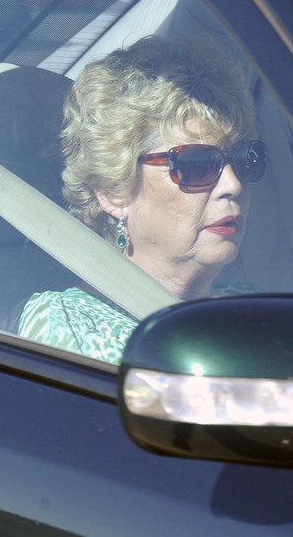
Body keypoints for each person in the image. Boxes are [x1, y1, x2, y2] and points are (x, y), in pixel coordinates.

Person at [18, 35, 266, 363]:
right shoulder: (68, 324)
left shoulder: (251, 308)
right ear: (113, 190)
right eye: (196, 165)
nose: (232, 184)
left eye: (243, 158)